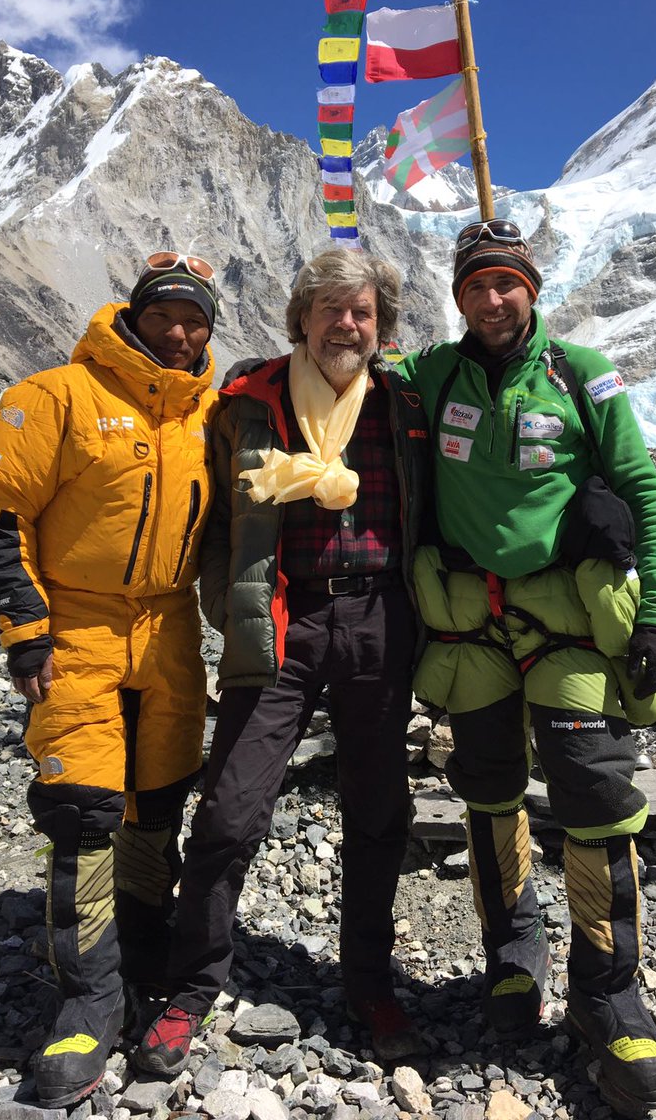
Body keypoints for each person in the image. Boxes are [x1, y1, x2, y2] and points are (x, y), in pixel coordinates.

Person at [399, 219, 656, 1119]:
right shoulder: (430, 376)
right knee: (487, 790)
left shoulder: (582, 374)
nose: (490, 300)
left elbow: (640, 489)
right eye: (474, 286)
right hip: (471, 625)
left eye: (504, 284)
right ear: (457, 299)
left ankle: (609, 988)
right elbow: (343, 373)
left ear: (531, 287)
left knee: (595, 793)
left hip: (564, 625)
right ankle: (514, 956)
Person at [135, 246, 430, 1073]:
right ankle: (193, 985)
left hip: (380, 616)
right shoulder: (248, 399)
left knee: (378, 811)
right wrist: (230, 602)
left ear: (382, 324)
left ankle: (368, 978)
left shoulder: (405, 399)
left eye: (363, 311)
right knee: (230, 809)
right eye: (331, 308)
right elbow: (220, 520)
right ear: (300, 315)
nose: (347, 324)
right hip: (283, 617)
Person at [0, 252, 219, 1107]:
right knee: (83, 810)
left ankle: (139, 947)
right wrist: (25, 630)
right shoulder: (56, 395)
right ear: (133, 316)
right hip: (77, 627)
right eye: (165, 316)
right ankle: (87, 997)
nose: (179, 333)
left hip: (171, 627)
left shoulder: (210, 412)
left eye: (195, 321)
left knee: (160, 795)